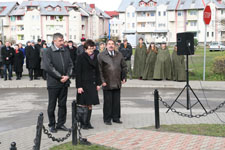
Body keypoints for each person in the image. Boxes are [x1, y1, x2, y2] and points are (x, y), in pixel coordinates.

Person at [43, 33, 73, 133]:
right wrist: (60, 77)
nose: (62, 42)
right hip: (53, 83)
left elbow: (70, 64)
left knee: (62, 105)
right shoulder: (48, 51)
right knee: (52, 105)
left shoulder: (66, 50)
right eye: (60, 41)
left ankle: (61, 124)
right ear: (54, 41)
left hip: (64, 83)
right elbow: (48, 67)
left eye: (63, 40)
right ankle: (52, 124)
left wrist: (68, 76)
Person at [98, 39, 127, 125]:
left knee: (116, 102)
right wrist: (102, 81)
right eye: (109, 44)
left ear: (114, 45)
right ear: (106, 45)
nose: (111, 45)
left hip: (117, 81)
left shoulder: (119, 55)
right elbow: (99, 70)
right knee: (108, 102)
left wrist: (124, 77)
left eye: (112, 44)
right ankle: (107, 119)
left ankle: (116, 118)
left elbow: (124, 66)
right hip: (107, 82)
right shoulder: (101, 55)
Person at [76, 39, 101, 129]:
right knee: (83, 104)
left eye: (92, 48)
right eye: (89, 49)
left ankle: (88, 122)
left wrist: (98, 83)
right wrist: (79, 86)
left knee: (90, 104)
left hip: (92, 84)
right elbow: (78, 73)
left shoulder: (95, 57)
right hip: (83, 84)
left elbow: (98, 71)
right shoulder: (81, 57)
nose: (91, 50)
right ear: (85, 49)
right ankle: (83, 123)